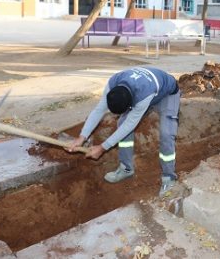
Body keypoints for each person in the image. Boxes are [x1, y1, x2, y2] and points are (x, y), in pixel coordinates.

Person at [67, 66, 180, 196]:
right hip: (147, 89)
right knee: (121, 122)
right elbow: (99, 110)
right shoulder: (113, 84)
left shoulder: (143, 95)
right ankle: (126, 168)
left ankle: (169, 177)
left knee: (167, 133)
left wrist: (103, 147)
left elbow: (130, 125)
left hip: (167, 93)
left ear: (131, 103)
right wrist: (82, 137)